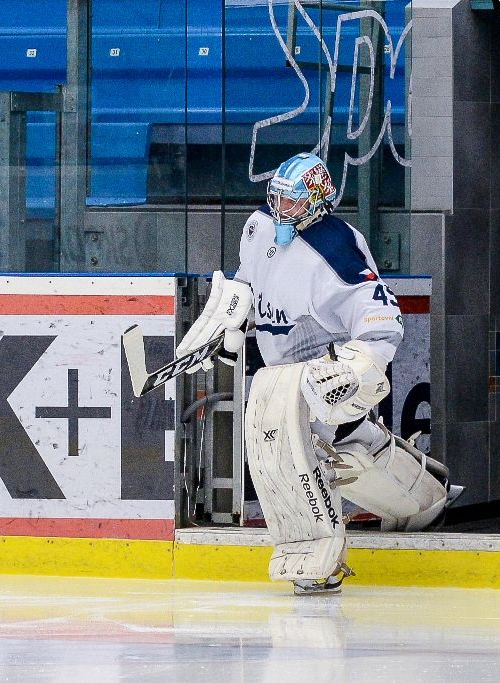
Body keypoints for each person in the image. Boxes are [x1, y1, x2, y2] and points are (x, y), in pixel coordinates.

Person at [176, 153, 459, 595]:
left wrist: (358, 366)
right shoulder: (258, 228)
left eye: (292, 202)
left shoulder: (336, 246)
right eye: (278, 199)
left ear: (319, 200)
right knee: (303, 452)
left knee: (317, 450)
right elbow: (246, 287)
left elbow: (380, 316)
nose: (281, 209)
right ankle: (419, 492)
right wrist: (226, 328)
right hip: (279, 377)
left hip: (325, 374)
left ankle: (348, 543)